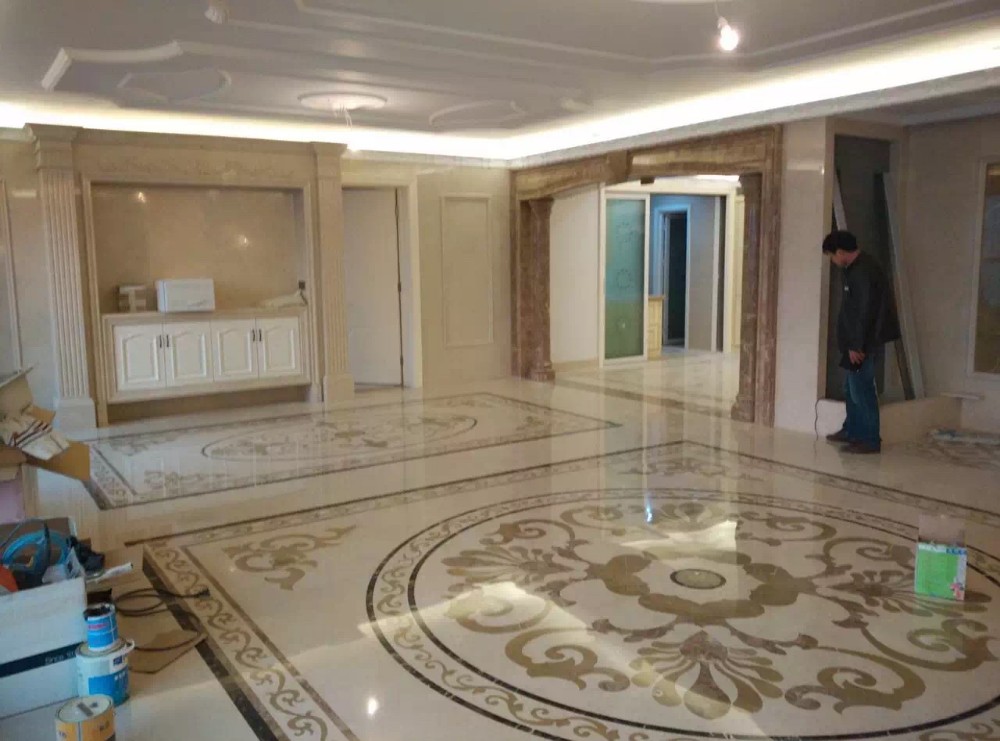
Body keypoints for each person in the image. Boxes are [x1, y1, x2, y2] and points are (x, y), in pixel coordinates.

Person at [822, 230, 901, 454]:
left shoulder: (864, 272)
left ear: (840, 252)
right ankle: (852, 430)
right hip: (856, 342)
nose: (833, 261)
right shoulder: (854, 269)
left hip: (863, 343)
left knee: (861, 389)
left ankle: (868, 439)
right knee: (850, 387)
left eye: (832, 256)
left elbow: (865, 313)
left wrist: (857, 346)